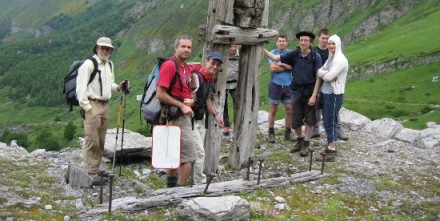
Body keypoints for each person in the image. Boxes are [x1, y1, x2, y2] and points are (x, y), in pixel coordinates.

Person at [76, 36, 128, 186]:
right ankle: (90, 174)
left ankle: (95, 168)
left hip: (105, 105)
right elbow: (81, 89)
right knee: (91, 140)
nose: (105, 51)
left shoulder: (109, 64)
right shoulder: (89, 64)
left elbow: (109, 84)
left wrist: (118, 87)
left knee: (100, 140)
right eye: (102, 48)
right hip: (93, 104)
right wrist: (88, 108)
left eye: (108, 49)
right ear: (96, 48)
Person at [264, 31, 322, 157]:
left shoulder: (315, 57)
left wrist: (314, 95)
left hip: (310, 92)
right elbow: (274, 58)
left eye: (306, 40)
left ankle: (306, 143)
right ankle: (300, 140)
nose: (303, 42)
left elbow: (319, 77)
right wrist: (260, 47)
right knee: (295, 120)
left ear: (310, 43)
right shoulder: (295, 54)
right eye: (301, 40)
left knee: (309, 120)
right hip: (296, 91)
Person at [156, 35, 196, 187]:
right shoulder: (170, 65)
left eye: (189, 47)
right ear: (176, 48)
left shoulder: (186, 67)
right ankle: (178, 191)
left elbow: (187, 90)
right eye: (183, 46)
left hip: (178, 115)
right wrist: (181, 106)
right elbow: (160, 94)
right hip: (176, 116)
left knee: (173, 154)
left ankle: (170, 188)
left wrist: (192, 100)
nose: (186, 50)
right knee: (189, 157)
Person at [313, 34, 348, 162]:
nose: (331, 46)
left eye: (333, 44)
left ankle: (331, 150)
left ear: (338, 45)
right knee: (328, 120)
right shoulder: (330, 59)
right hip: (327, 93)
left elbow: (326, 77)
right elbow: (320, 72)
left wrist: (326, 74)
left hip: (334, 94)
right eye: (329, 43)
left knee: (329, 121)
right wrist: (326, 74)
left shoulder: (340, 60)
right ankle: (330, 145)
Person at [192, 52, 225, 184]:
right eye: (212, 63)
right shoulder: (196, 77)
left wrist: (215, 115)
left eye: (217, 65)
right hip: (191, 119)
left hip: (201, 118)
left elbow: (207, 100)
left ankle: (193, 179)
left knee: (198, 150)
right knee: (199, 151)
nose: (215, 66)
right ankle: (199, 182)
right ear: (206, 61)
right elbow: (188, 97)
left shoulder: (209, 79)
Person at [267, 35, 293, 143]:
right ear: (276, 43)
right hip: (275, 84)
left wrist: (280, 64)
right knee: (273, 109)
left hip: (288, 84)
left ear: (286, 43)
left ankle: (288, 132)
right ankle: (271, 132)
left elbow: (292, 67)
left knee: (289, 109)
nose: (282, 43)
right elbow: (273, 68)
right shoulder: (272, 53)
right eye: (280, 41)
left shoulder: (290, 53)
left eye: (283, 41)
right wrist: (286, 66)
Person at [311, 28, 330, 139]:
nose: (325, 40)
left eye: (327, 38)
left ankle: (337, 129)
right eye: (323, 38)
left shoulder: (331, 51)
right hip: (316, 82)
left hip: (328, 82)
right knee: (316, 106)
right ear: (318, 38)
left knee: (330, 105)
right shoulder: (313, 51)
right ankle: (315, 129)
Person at [222, 44, 239, 136]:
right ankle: (226, 125)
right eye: (231, 46)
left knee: (237, 102)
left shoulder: (240, 55)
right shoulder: (223, 53)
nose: (233, 48)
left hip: (235, 83)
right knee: (223, 104)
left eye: (235, 46)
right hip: (223, 83)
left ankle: (237, 124)